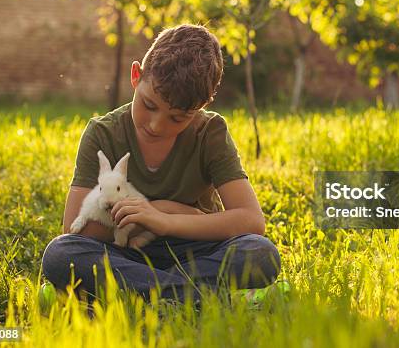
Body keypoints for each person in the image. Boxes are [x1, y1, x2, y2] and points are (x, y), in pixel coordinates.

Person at [41, 24, 281, 306]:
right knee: (62, 254)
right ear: (136, 76)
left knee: (259, 252)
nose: (156, 125)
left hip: (194, 250)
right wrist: (150, 215)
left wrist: (165, 218)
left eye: (177, 118)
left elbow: (251, 221)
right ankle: (208, 297)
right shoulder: (102, 133)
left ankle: (140, 295)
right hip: (123, 252)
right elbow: (75, 228)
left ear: (200, 107)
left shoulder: (210, 132)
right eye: (149, 105)